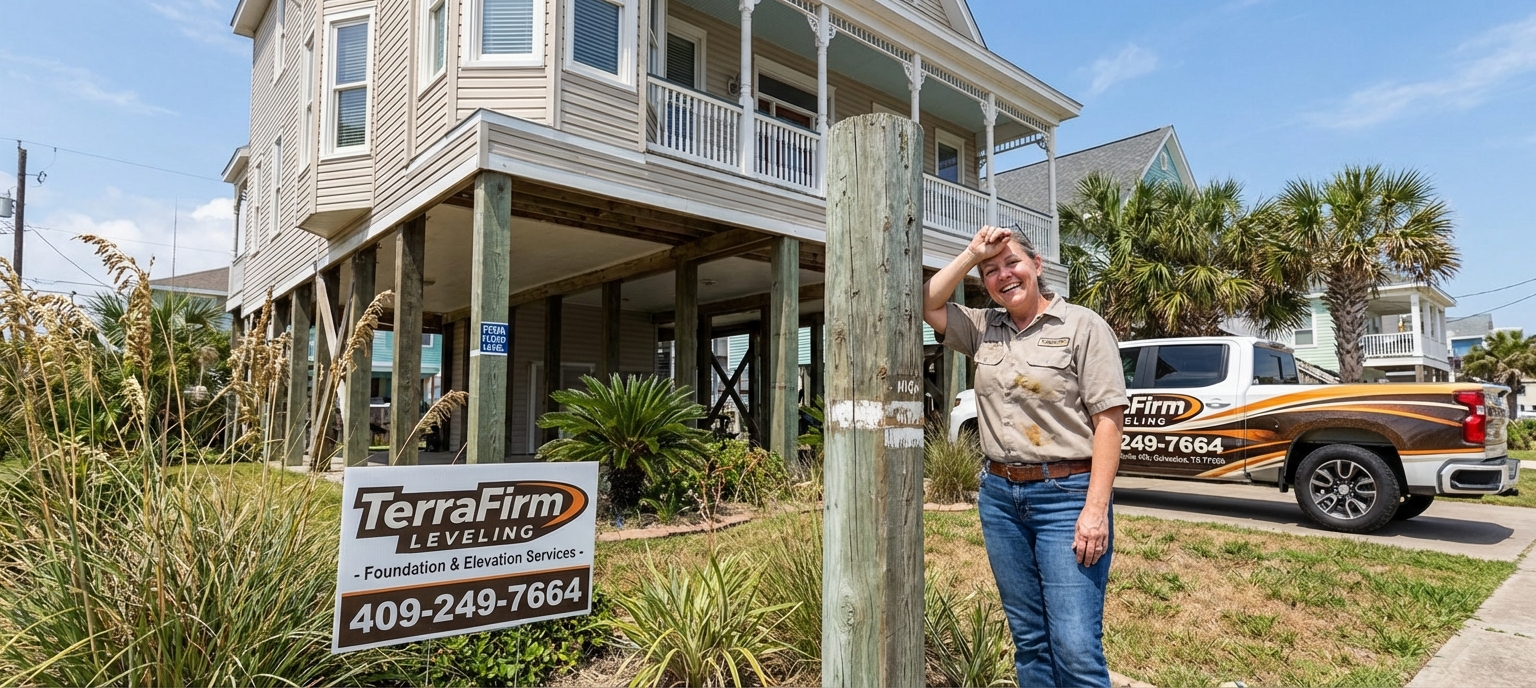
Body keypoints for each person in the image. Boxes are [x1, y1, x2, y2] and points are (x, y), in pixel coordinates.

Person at [923, 224, 1127, 687]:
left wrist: (1095, 510)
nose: (1003, 276)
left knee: (1075, 646)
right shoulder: (982, 328)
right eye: (991, 271)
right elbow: (927, 302)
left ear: (1037, 266)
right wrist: (972, 254)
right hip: (1000, 498)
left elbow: (1109, 423)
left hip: (1068, 495)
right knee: (1030, 640)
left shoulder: (1082, 326)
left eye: (1012, 262)